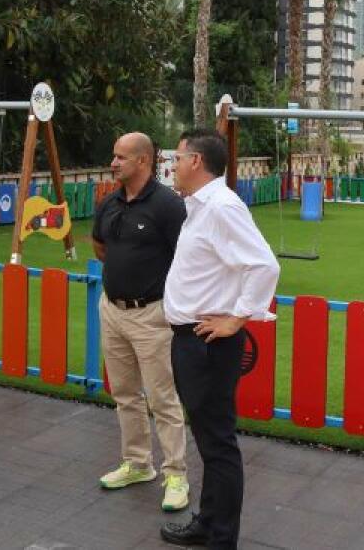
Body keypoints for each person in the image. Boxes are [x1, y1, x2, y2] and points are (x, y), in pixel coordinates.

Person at [159, 129, 280, 549]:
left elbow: (264, 265)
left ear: (196, 161)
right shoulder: (200, 206)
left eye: (176, 157)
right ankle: (208, 524)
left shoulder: (222, 207)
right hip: (192, 340)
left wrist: (236, 319)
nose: (171, 165)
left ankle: (221, 538)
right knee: (209, 440)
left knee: (218, 443)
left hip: (208, 342)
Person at [91, 132, 189, 511]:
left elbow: (186, 257)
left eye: (120, 158)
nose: (113, 163)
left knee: (163, 398)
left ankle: (176, 474)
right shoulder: (110, 201)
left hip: (152, 315)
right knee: (125, 393)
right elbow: (100, 245)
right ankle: (137, 464)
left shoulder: (167, 206)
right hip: (112, 310)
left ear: (143, 161)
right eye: (113, 156)